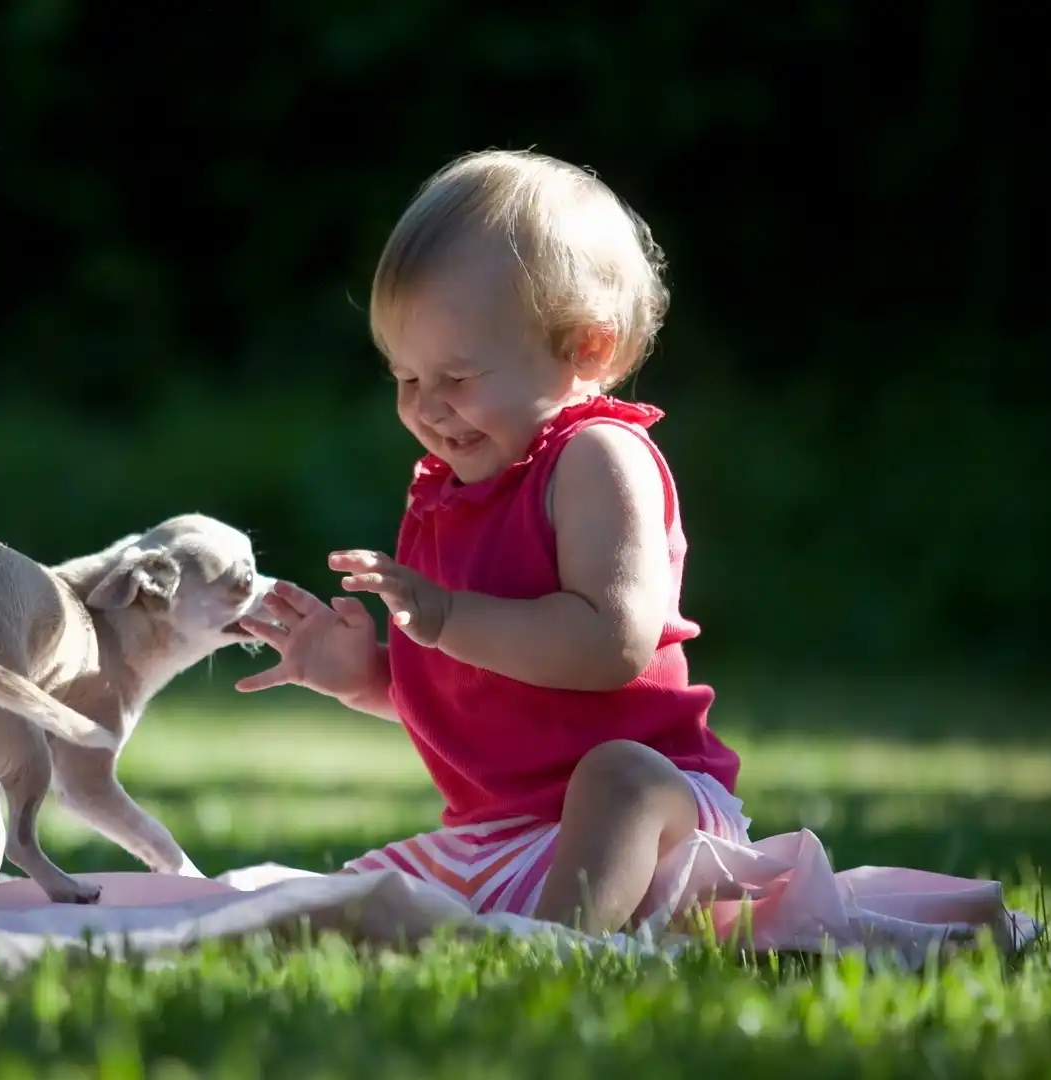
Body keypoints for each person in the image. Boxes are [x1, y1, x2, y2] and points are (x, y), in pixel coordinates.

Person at [234, 149, 745, 936]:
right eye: (406, 379)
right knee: (328, 914)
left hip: (660, 829)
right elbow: (482, 692)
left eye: (459, 377)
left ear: (587, 349)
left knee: (619, 779)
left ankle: (558, 951)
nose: (429, 408)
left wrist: (442, 617)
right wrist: (367, 676)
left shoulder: (595, 457)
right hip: (509, 840)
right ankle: (539, 929)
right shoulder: (449, 490)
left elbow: (611, 643)